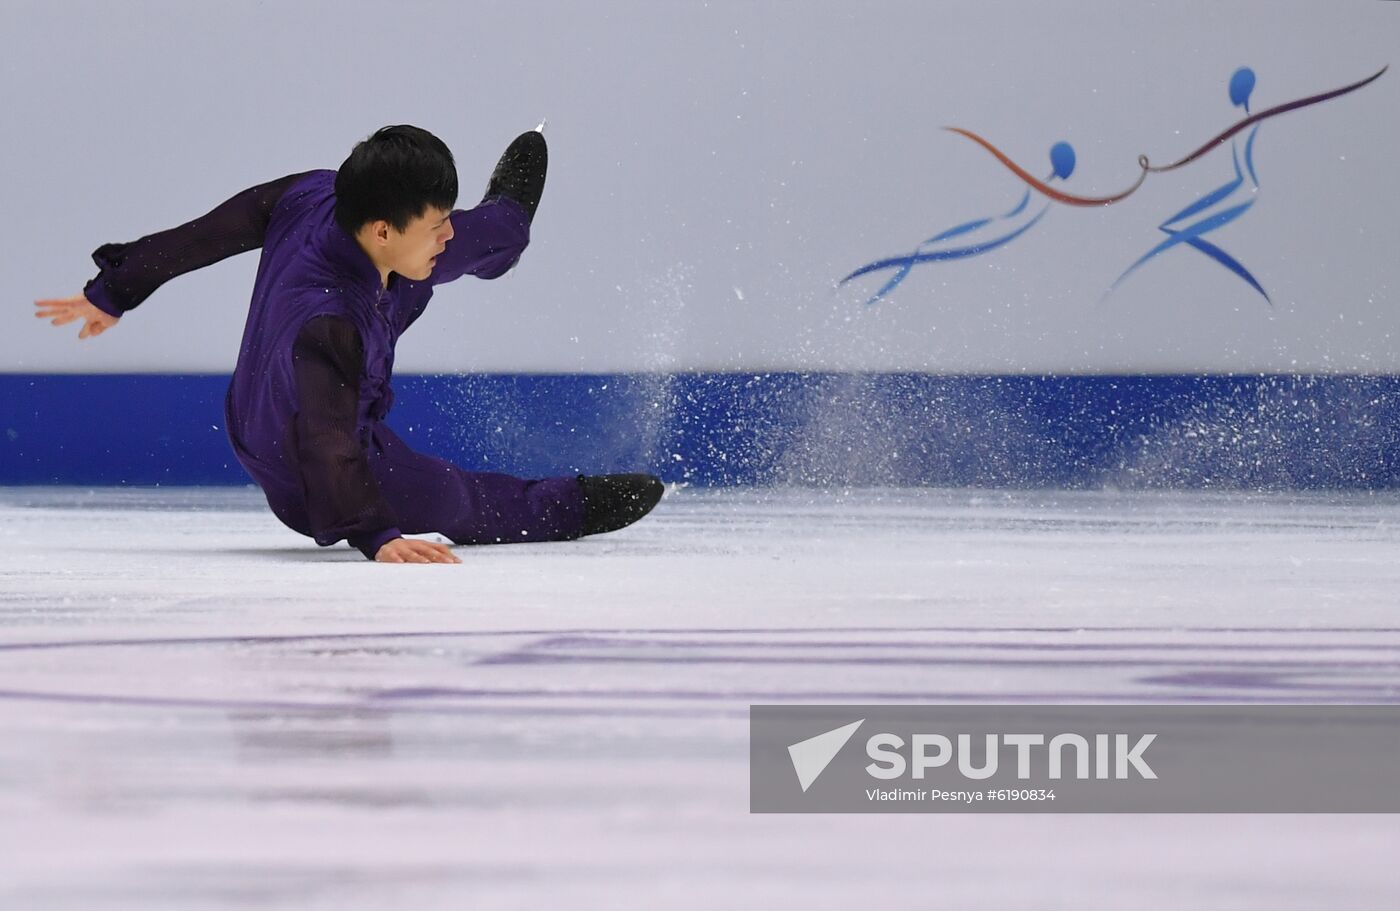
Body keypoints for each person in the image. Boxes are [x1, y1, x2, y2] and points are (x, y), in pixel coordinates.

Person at [34, 125, 663, 564]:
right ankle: (571, 506)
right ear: (384, 228)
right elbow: (327, 437)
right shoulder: (332, 324)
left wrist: (115, 288)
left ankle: (509, 228)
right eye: (435, 220)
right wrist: (376, 533)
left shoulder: (315, 193)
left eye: (446, 213)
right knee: (455, 499)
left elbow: (206, 235)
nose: (446, 229)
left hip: (332, 340)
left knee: (462, 246)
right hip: (297, 459)